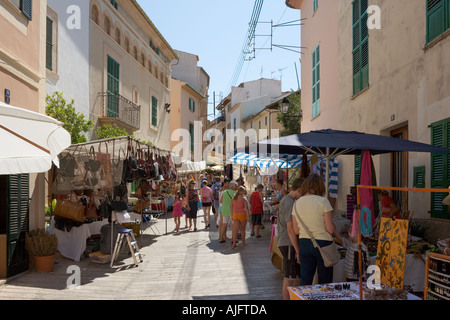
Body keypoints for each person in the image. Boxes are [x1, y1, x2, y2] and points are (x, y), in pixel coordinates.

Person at [292, 174, 337, 285]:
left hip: (304, 243)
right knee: (324, 281)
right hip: (323, 244)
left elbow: (296, 231)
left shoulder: (297, 203)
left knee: (305, 280)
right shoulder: (323, 201)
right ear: (320, 186)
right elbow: (330, 229)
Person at [277, 178, 304, 300]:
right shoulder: (289, 202)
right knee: (290, 278)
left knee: (294, 278)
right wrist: (297, 250)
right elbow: (290, 229)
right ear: (299, 189)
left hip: (288, 242)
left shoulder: (288, 200)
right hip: (288, 243)